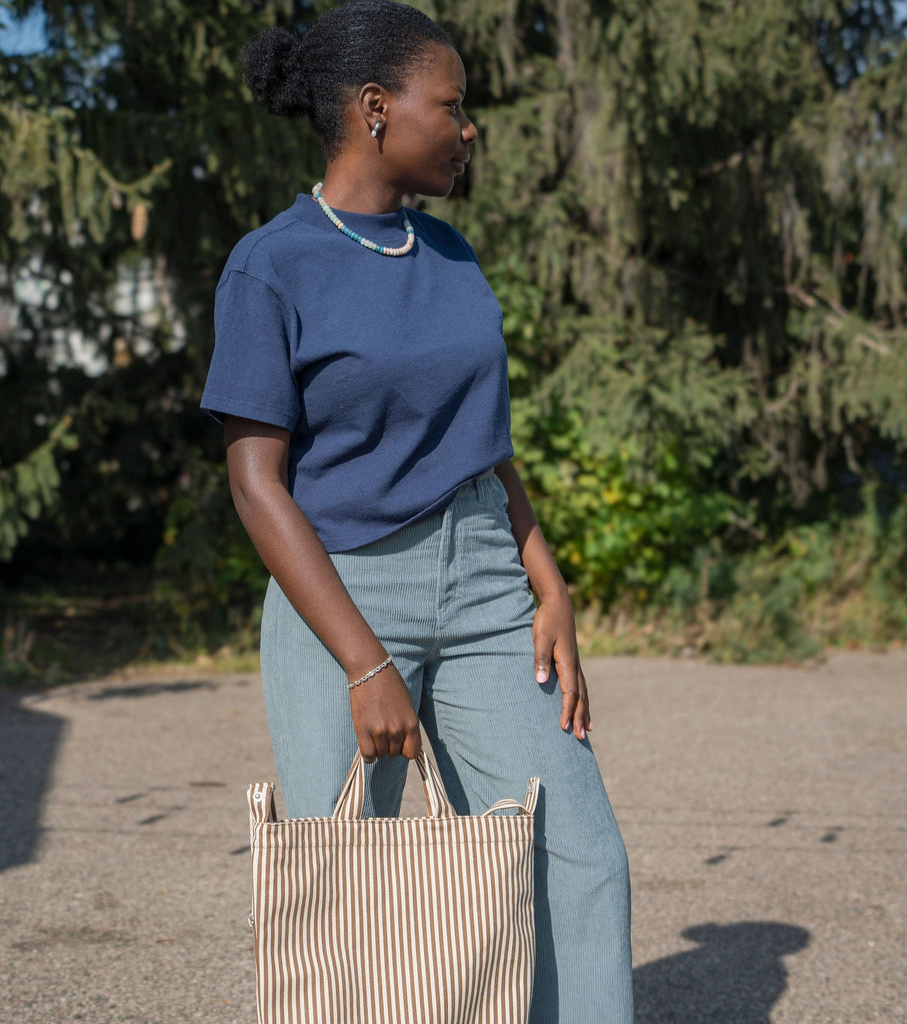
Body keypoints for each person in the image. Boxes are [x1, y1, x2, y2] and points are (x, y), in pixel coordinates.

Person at [201, 2, 633, 1021]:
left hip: (486, 579)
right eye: (453, 104)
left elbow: (485, 442)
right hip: (343, 594)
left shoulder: (450, 255)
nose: (468, 125)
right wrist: (364, 662)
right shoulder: (273, 264)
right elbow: (255, 481)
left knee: (579, 852)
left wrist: (548, 579)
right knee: (359, 885)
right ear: (374, 108)